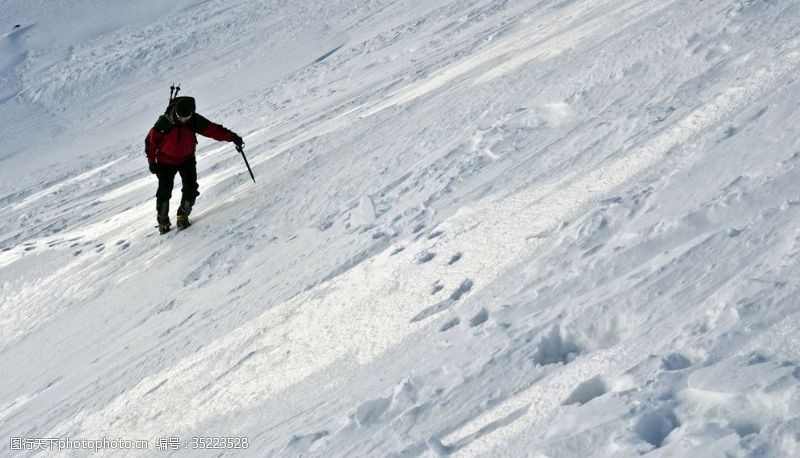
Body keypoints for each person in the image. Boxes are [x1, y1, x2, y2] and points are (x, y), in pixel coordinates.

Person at [145, 96, 243, 233]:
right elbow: (150, 143)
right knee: (164, 191)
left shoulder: (194, 120)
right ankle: (163, 221)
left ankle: (183, 215)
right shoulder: (164, 123)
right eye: (181, 117)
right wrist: (152, 162)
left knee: (191, 188)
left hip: (186, 159)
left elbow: (213, 130)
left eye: (187, 117)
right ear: (176, 113)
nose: (184, 120)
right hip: (165, 161)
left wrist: (233, 137)